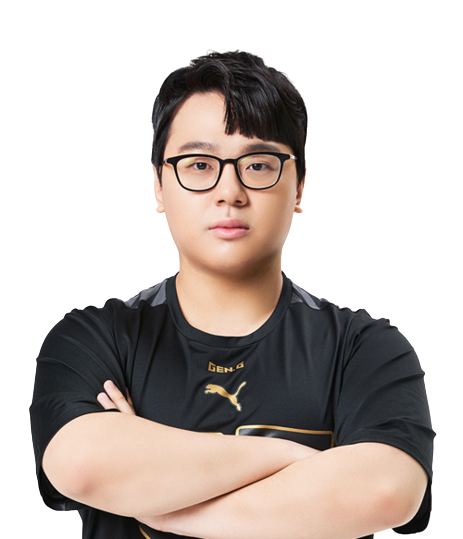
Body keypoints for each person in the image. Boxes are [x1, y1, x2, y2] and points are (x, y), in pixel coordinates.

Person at [30, 49, 435, 539]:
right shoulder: (96, 339)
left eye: (259, 165)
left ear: (300, 187)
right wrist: (296, 460)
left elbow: (386, 492)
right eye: (200, 164)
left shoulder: (365, 349)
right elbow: (80, 466)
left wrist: (164, 504)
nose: (229, 191)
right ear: (158, 186)